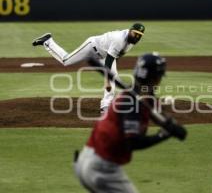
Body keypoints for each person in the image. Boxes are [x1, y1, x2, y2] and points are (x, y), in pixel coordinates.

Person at [74, 53, 183, 193]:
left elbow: (155, 112)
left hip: (87, 158)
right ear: (156, 78)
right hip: (102, 167)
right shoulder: (132, 102)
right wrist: (163, 135)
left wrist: (169, 124)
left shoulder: (140, 96)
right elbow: (133, 142)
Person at [32, 23, 145, 113]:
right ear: (130, 31)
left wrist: (110, 75)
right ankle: (48, 41)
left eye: (139, 35)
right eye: (135, 34)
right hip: (91, 47)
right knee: (66, 61)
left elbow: (116, 57)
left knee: (113, 77)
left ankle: (106, 105)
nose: (137, 37)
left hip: (104, 54)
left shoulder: (131, 42)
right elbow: (109, 61)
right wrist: (106, 80)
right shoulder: (119, 40)